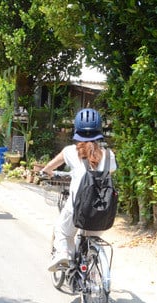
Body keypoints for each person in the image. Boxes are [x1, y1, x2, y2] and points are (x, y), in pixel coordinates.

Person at [41, 108, 117, 272]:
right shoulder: (109, 154)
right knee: (89, 240)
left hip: (78, 208)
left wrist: (46, 172)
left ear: (77, 129)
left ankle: (63, 254)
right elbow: (108, 172)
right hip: (102, 212)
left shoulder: (70, 151)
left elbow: (50, 167)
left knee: (62, 231)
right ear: (99, 130)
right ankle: (89, 272)